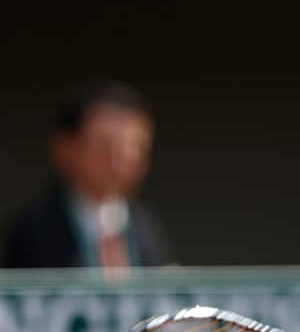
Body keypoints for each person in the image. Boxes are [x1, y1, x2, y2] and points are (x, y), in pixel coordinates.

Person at [3, 79, 173, 270]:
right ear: (65, 148)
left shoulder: (144, 224)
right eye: (105, 146)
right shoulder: (35, 227)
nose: (122, 159)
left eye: (135, 147)